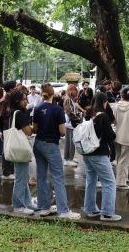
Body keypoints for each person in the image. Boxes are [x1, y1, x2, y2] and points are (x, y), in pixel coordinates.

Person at [33, 83, 81, 219]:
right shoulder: (57, 109)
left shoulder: (37, 109)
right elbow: (62, 131)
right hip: (51, 144)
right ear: (53, 93)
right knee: (58, 178)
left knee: (41, 176)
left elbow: (35, 129)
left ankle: (44, 207)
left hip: (38, 144)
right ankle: (64, 210)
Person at [82, 92, 121, 221]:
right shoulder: (103, 116)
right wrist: (112, 130)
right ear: (104, 103)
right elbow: (110, 136)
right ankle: (107, 213)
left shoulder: (88, 114)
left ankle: (91, 209)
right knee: (109, 182)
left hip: (87, 153)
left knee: (91, 181)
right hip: (99, 153)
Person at [8, 89, 39, 215]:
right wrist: (34, 126)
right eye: (23, 99)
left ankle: (27, 202)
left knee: (24, 177)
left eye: (26, 98)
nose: (26, 101)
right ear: (17, 101)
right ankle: (18, 205)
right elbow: (29, 131)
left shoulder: (16, 112)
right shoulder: (19, 114)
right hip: (20, 150)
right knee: (20, 179)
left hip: (20, 149)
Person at [0, 81, 17, 180]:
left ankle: (11, 171)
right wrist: (1, 131)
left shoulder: (11, 99)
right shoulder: (4, 101)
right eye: (15, 87)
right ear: (10, 89)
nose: (16, 89)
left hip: (12, 128)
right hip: (6, 129)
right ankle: (6, 173)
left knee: (11, 149)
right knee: (6, 151)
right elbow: (0, 117)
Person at [63, 84, 81, 167]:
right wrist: (77, 118)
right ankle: (68, 159)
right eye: (73, 90)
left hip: (71, 123)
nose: (75, 91)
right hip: (70, 123)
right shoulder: (68, 100)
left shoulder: (71, 100)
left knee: (72, 141)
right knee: (70, 142)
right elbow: (69, 112)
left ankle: (70, 157)